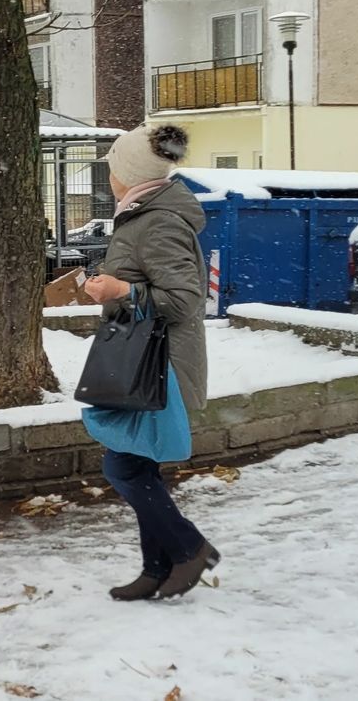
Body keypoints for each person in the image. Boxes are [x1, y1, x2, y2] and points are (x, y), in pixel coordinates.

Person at [82, 123, 220, 601]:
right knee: (138, 466)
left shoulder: (157, 221)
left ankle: (189, 549)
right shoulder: (142, 215)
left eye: (112, 171)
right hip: (145, 362)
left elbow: (184, 300)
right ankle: (156, 567)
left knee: (124, 468)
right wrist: (113, 287)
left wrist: (122, 291)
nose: (110, 180)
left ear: (128, 175)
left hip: (159, 367)